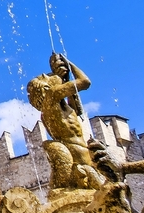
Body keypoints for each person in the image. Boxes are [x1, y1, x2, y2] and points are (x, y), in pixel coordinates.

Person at [26, 53, 94, 189]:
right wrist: (69, 63)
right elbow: (85, 82)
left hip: (81, 153)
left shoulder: (56, 108)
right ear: (45, 88)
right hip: (78, 156)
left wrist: (66, 77)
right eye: (45, 77)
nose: (49, 74)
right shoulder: (51, 96)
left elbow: (78, 109)